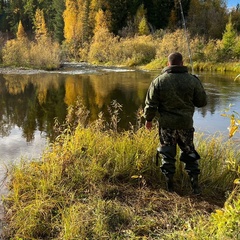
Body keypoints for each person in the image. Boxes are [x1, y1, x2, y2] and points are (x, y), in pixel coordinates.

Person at [144, 52, 207, 194]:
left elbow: (150, 104)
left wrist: (148, 120)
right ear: (182, 63)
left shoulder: (159, 81)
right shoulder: (192, 80)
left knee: (167, 154)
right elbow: (202, 103)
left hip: (167, 126)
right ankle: (195, 186)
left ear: (168, 64)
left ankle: (170, 186)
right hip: (185, 125)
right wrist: (198, 86)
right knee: (189, 153)